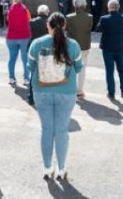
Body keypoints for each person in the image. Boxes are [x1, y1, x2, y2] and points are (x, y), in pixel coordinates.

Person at [27, 12, 83, 180]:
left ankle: (47, 167)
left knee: (46, 129)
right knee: (61, 130)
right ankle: (61, 168)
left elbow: (30, 67)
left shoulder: (37, 43)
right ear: (64, 26)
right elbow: (78, 68)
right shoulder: (73, 45)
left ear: (48, 26)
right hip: (66, 92)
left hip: (42, 90)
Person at [97, 0, 123, 98]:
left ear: (109, 7)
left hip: (108, 48)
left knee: (109, 71)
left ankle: (111, 93)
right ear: (118, 7)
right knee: (122, 70)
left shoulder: (104, 18)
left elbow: (99, 28)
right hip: (120, 47)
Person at [66, 0, 92, 98]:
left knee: (70, 67)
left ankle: (70, 88)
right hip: (85, 45)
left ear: (74, 4)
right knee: (82, 68)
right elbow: (89, 29)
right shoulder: (90, 17)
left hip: (72, 45)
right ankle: (80, 90)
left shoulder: (69, 17)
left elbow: (66, 29)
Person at [6, 0, 31, 85]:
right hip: (24, 36)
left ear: (13, 2)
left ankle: (11, 78)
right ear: (21, 2)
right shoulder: (26, 10)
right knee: (25, 59)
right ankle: (26, 78)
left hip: (11, 36)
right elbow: (29, 20)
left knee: (12, 58)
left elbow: (8, 21)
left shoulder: (10, 11)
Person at [28, 5, 50, 105]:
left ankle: (31, 97)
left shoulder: (32, 21)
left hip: (34, 48)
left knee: (33, 73)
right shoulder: (50, 22)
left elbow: (29, 34)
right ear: (47, 12)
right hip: (47, 50)